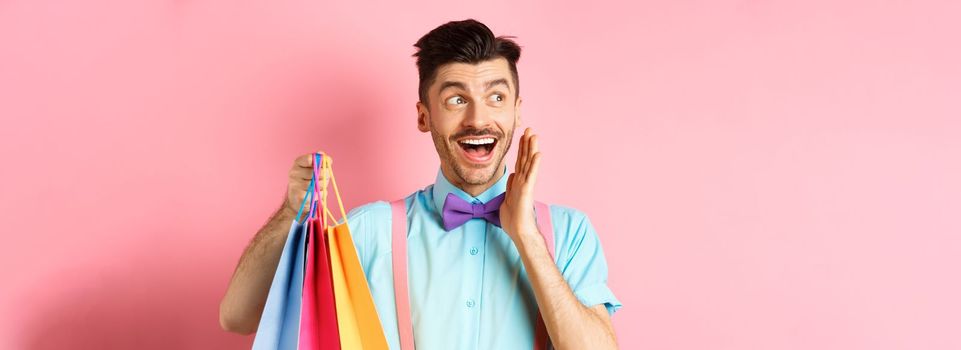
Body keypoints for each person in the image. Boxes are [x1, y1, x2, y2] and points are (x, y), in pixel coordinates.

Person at [219, 18, 622, 349]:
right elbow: (238, 317)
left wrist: (528, 238)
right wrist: (291, 213)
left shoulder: (569, 234)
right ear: (424, 116)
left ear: (517, 112)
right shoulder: (370, 230)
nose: (479, 119)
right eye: (456, 100)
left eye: (496, 98)